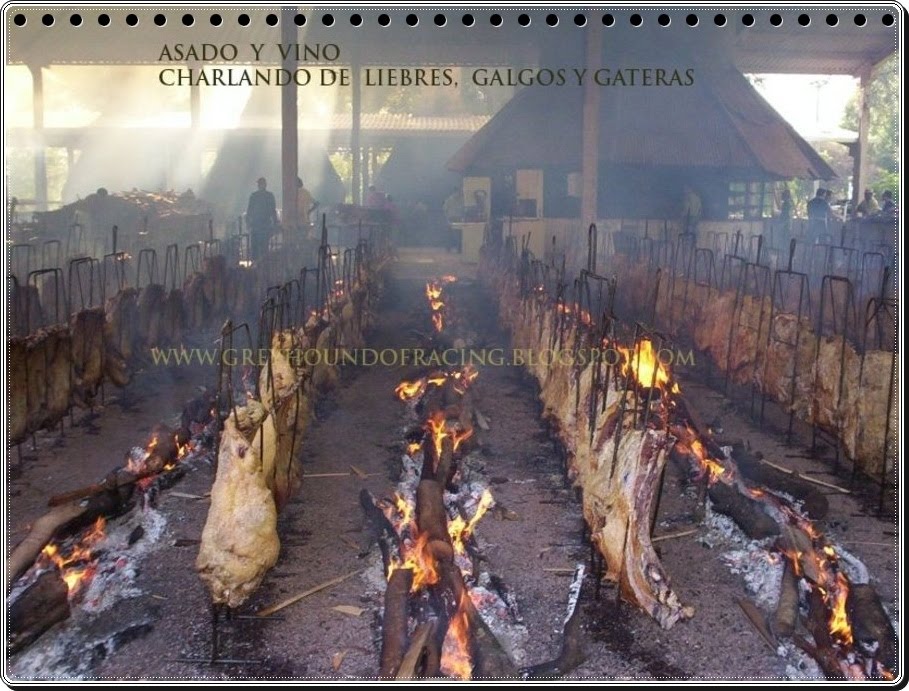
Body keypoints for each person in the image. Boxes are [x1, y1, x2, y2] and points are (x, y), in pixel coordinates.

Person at [246, 177, 278, 260]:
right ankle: (262, 264)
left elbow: (249, 210)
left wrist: (248, 222)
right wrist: (275, 223)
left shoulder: (254, 196)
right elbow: (273, 211)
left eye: (260, 184)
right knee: (263, 247)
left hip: (258, 225)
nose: (259, 185)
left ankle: (256, 264)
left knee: (257, 247)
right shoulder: (269, 196)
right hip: (263, 225)